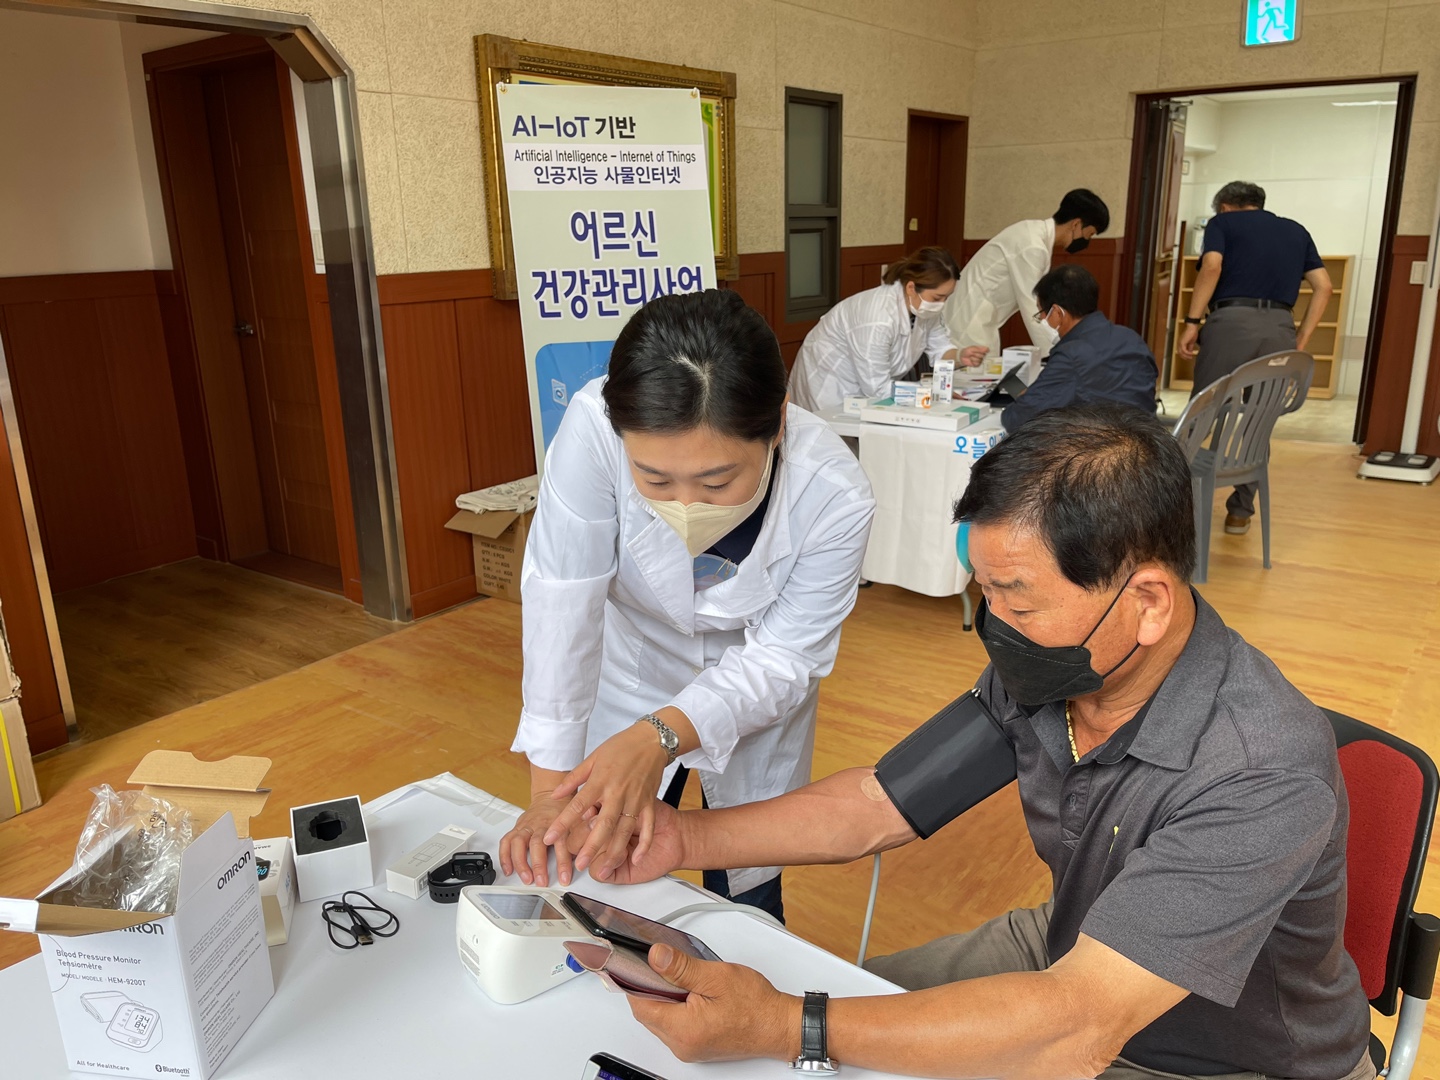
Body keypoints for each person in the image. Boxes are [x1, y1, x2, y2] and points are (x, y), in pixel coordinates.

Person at [586, 405, 1371, 1080]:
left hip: (1222, 1059)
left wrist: (788, 1025)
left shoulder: (1259, 769)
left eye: (1018, 603)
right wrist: (683, 835)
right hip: (1074, 953)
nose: (995, 627)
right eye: (984, 592)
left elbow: (1076, 1030)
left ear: (1149, 603)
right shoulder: (1060, 669)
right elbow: (875, 805)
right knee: (825, 1007)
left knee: (804, 1032)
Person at [500, 288, 875, 924]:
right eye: (654, 480)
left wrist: (662, 733)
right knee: (604, 861)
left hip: (756, 696)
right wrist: (549, 794)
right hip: (633, 670)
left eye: (717, 481)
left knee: (745, 882)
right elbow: (563, 601)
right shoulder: (594, 428)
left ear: (778, 424)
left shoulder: (834, 495)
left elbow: (784, 658)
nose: (687, 504)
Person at [1177, 180, 1333, 536]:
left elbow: (1212, 267)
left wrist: (1191, 322)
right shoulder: (1296, 230)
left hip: (1231, 322)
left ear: (1226, 206)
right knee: (1259, 418)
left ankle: (1175, 506)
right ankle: (1240, 512)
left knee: (1202, 411)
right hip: (1280, 328)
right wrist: (1301, 338)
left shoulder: (1222, 224)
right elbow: (1323, 286)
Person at [787, 247, 986, 413]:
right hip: (830, 385)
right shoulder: (878, 319)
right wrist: (929, 393)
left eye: (947, 297)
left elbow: (940, 349)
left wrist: (961, 356)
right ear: (911, 288)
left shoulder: (924, 309)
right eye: (937, 298)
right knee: (831, 446)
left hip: (865, 389)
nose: (941, 304)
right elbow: (877, 388)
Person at [945, 188, 1110, 359]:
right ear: (1076, 224)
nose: (1087, 241)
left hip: (978, 320)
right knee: (974, 381)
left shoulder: (1034, 235)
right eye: (1089, 234)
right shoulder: (1032, 246)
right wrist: (1058, 354)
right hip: (967, 322)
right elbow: (1033, 307)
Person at [1001, 264, 1158, 433]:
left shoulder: (1071, 355)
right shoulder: (1131, 337)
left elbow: (1018, 419)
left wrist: (1027, 398)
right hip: (1149, 440)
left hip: (1109, 450)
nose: (1043, 319)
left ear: (1057, 312)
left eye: (1042, 312)